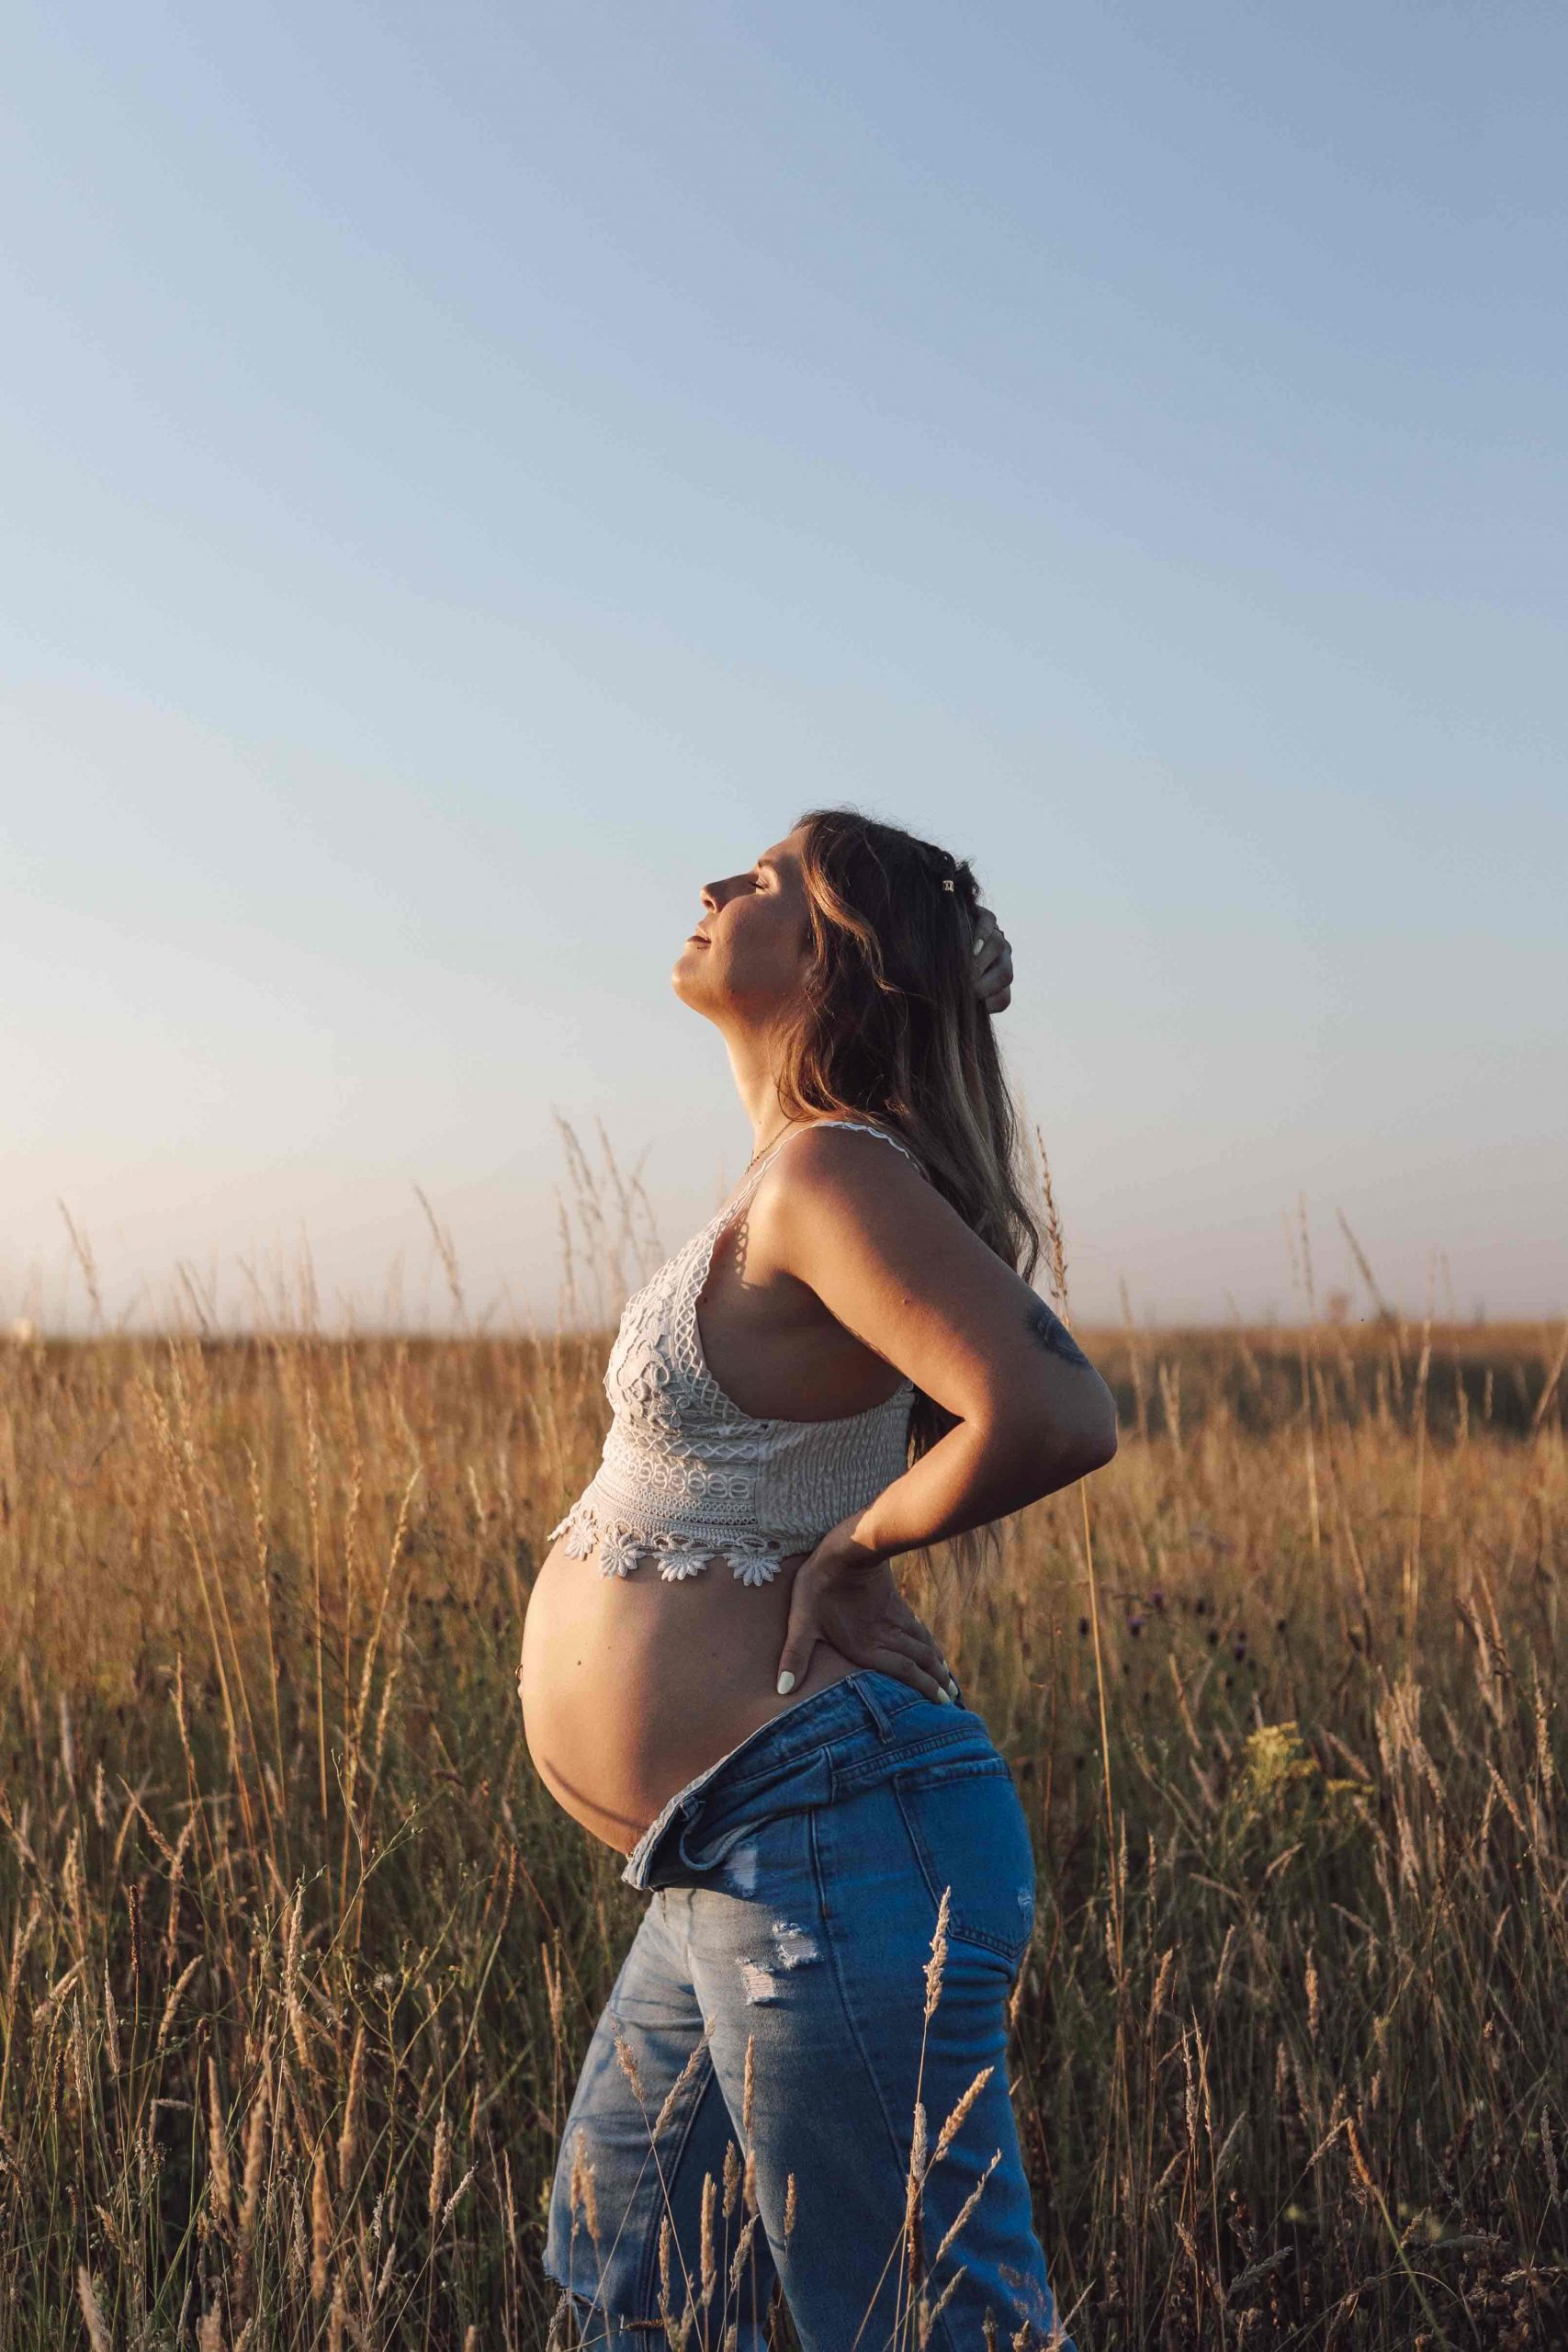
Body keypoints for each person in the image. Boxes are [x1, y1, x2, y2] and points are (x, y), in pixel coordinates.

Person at [518, 809, 1116, 2350]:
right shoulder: (794, 1179)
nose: (717, 885)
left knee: (922, 2320)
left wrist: (858, 1548)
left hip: (832, 1841)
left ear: (837, 961)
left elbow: (1053, 1410)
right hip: (725, 1848)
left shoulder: (833, 1172)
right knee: (631, 2277)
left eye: (768, 879)